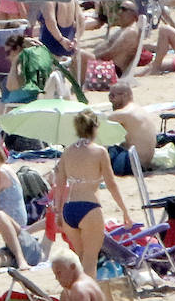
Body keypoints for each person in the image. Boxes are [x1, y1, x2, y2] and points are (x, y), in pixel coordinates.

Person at [54, 108, 132, 278]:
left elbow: (59, 184)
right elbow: (111, 184)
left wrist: (58, 211)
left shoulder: (68, 151)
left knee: (81, 257)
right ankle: (90, 298)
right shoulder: (99, 151)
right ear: (95, 128)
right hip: (90, 207)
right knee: (90, 260)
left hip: (69, 208)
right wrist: (124, 211)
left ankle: (78, 294)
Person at [105, 81, 159, 173]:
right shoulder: (139, 110)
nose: (110, 100)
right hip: (144, 163)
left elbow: (97, 121)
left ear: (125, 95)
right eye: (109, 96)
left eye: (113, 96)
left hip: (132, 163)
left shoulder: (125, 113)